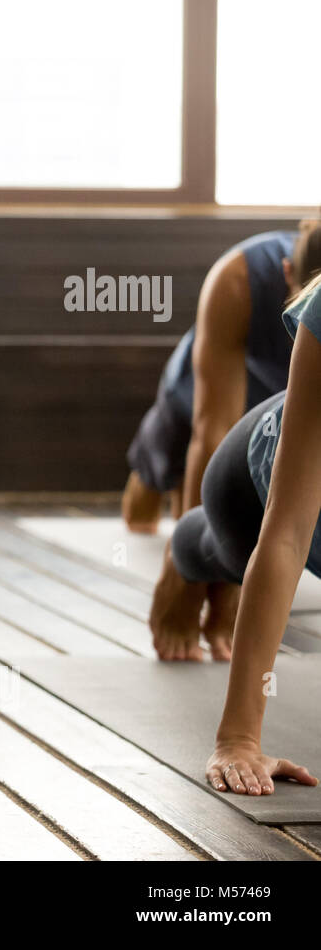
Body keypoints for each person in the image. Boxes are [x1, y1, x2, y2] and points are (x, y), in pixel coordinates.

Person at [138, 222, 321, 660]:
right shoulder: (238, 280)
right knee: (141, 503)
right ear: (285, 273)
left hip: (287, 396)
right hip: (201, 391)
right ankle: (150, 490)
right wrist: (188, 571)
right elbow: (211, 430)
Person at [173, 278, 321, 796]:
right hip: (253, 493)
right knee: (214, 548)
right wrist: (239, 738)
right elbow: (285, 534)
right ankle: (185, 554)